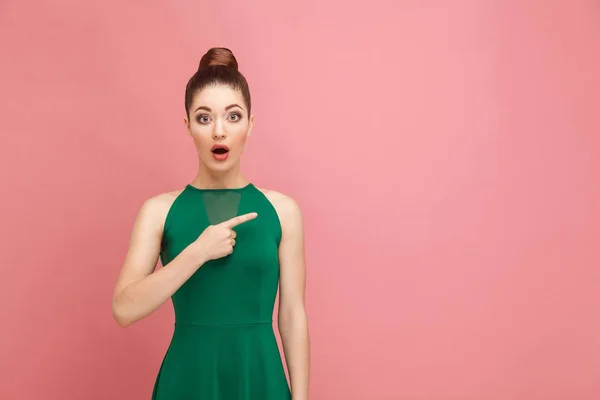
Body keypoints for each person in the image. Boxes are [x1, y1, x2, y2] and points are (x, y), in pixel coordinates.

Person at [111, 47, 310, 399]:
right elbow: (124, 309)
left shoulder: (283, 211)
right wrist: (196, 253)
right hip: (188, 379)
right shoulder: (159, 210)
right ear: (188, 126)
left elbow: (292, 315)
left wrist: (302, 397)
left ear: (250, 123)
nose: (219, 131)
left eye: (233, 117)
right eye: (204, 118)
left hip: (259, 377)